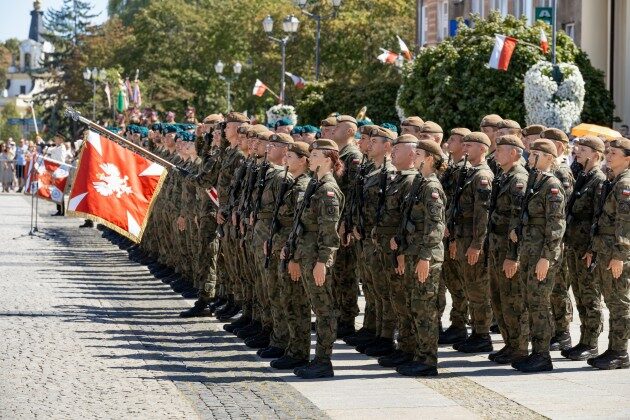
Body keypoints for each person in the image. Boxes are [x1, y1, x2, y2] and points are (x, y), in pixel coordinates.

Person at [287, 139, 344, 379]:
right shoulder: (315, 184)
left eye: (316, 154)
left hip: (317, 258)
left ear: (328, 160)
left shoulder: (327, 190)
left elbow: (329, 232)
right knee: (316, 307)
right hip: (306, 254)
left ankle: (323, 361)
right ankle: (314, 358)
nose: (310, 158)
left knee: (323, 310)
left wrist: (323, 261)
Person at [510, 139, 566, 373]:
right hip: (529, 251)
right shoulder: (535, 181)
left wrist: (546, 257)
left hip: (542, 254)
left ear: (549, 158)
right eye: (530, 154)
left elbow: (556, 226)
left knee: (539, 303)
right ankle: (535, 352)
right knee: (530, 301)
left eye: (536, 155)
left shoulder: (551, 185)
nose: (530, 158)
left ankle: (542, 355)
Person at [393, 139, 447, 377]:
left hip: (427, 256)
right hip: (414, 253)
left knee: (425, 309)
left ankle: (428, 360)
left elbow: (435, 227)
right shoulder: (419, 182)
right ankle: (417, 354)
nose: (413, 155)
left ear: (429, 158)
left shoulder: (431, 187)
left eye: (419, 153)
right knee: (415, 306)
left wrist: (425, 257)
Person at [584, 137, 630, 370]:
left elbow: (626, 223)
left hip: (616, 253)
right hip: (604, 250)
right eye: (608, 152)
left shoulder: (625, 184)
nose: (609, 156)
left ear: (627, 158)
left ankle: (620, 352)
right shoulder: (613, 181)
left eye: (614, 153)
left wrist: (620, 255)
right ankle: (613, 349)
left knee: (619, 303)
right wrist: (593, 248)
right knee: (612, 301)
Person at [561, 136, 606, 361]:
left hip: (586, 249)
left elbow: (598, 217)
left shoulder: (598, 179)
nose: (576, 151)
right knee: (579, 294)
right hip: (574, 245)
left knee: (590, 296)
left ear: (595, 154)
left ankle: (592, 343)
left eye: (583, 149)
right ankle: (584, 340)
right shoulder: (582, 175)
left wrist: (592, 249)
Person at [486, 135, 529, 365]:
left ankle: (520, 347)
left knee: (513, 299)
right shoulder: (504, 176)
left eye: (500, 150)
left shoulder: (518, 179)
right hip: (496, 247)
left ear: (514, 152)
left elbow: (517, 222)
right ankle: (510, 343)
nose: (495, 154)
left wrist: (513, 256)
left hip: (508, 250)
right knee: (499, 298)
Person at [269, 141, 312, 370]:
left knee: (296, 303)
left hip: (293, 250)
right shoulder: (294, 183)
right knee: (286, 299)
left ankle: (298, 351)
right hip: (285, 248)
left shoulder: (303, 186)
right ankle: (290, 346)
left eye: (291, 156)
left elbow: (299, 224)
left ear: (303, 160)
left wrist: (294, 255)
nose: (286, 159)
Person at [450, 132, 494, 353]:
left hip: (474, 239)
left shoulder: (482, 176)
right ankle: (476, 330)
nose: (465, 148)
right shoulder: (468, 172)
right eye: (464, 144)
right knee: (469, 285)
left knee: (478, 287)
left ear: (483, 149)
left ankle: (482, 334)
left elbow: (482, 214)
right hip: (463, 236)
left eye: (471, 145)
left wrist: (477, 243)